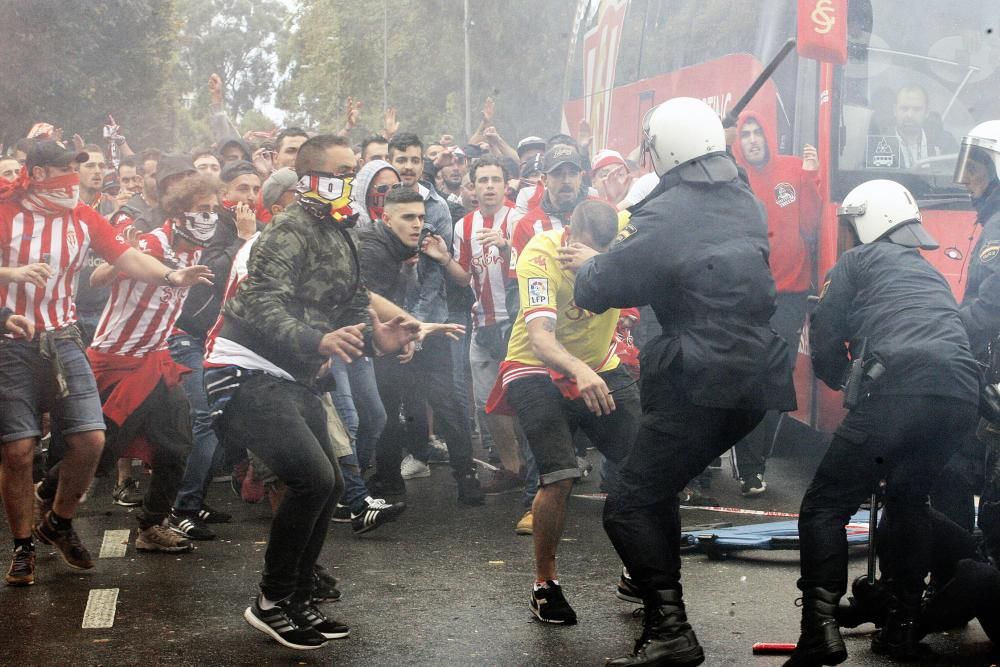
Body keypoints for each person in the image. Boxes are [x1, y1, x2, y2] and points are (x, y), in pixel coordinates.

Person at [571, 98, 795, 666]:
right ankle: (664, 624)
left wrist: (603, 246)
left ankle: (671, 630)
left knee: (626, 504)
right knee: (654, 491)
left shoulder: (666, 214)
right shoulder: (742, 199)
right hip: (756, 379)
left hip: (699, 375)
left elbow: (598, 287)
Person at [204, 135, 418, 650]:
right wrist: (316, 339)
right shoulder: (287, 231)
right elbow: (261, 306)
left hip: (295, 376)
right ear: (310, 179)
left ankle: (297, 596)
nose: (351, 181)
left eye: (355, 171)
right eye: (342, 171)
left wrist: (381, 340)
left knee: (328, 485)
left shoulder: (340, 234)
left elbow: (347, 315)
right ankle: (272, 601)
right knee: (312, 477)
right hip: (244, 370)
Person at [782, 179, 980, 664]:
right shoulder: (928, 273)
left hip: (897, 391)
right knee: (910, 500)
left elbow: (826, 332)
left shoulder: (854, 262)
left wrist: (838, 379)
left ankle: (819, 631)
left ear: (866, 223)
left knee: (825, 507)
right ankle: (903, 628)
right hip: (959, 396)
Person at [0, 140, 212, 587]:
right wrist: (11, 275)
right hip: (15, 342)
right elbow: (106, 273)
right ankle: (22, 547)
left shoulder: (81, 215)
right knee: (19, 452)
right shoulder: (7, 212)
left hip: (69, 336)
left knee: (95, 440)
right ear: (37, 174)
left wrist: (171, 275)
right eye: (64, 172)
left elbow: (126, 257)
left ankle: (60, 521)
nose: (73, 181)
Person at [480, 199, 640, 625]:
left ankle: (637, 570)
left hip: (599, 361)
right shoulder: (541, 255)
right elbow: (541, 340)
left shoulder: (624, 229)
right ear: (569, 233)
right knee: (560, 475)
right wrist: (579, 370)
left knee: (645, 464)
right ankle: (544, 584)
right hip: (536, 366)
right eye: (583, 252)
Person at [378, 132, 483, 503]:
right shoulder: (373, 205)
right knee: (391, 407)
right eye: (401, 159)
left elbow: (433, 281)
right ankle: (388, 485)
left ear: (424, 164)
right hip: (387, 327)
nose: (408, 167)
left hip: (430, 321)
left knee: (447, 402)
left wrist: (416, 333)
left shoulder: (435, 207)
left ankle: (466, 479)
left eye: (415, 160)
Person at [729, 113, 822, 496]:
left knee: (775, 381)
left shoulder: (793, 169)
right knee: (750, 379)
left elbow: (812, 223)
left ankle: (754, 463)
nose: (752, 140)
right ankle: (749, 466)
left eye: (757, 132)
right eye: (745, 134)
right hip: (751, 296)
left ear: (769, 135)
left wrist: (812, 176)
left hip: (791, 295)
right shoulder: (736, 178)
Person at [440, 156, 525, 498]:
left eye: (495, 179)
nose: (489, 186)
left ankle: (536, 466)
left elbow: (531, 261)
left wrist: (505, 246)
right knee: (488, 404)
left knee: (525, 399)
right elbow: (464, 276)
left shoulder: (517, 219)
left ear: (506, 185)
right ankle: (512, 468)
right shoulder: (464, 226)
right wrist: (442, 257)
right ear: (472, 187)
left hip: (517, 322)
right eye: (483, 180)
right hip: (482, 324)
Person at [931, 120, 1000, 533]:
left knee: (955, 463)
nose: (968, 178)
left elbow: (991, 308)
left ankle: (963, 569)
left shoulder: (999, 225)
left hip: (992, 369)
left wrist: (943, 331)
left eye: (976, 167)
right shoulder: (992, 221)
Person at [885, 85, 957, 168]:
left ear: (926, 112)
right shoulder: (879, 142)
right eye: (904, 109)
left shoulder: (945, 142)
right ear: (895, 110)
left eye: (916, 109)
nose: (909, 115)